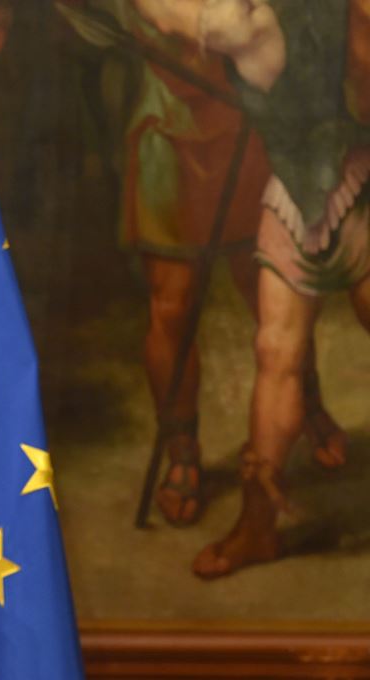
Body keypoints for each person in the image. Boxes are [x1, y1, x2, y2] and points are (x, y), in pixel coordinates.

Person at [132, 0, 370, 577]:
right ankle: (259, 525)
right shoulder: (248, 19)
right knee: (275, 352)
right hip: (298, 191)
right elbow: (175, 17)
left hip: (360, 178)